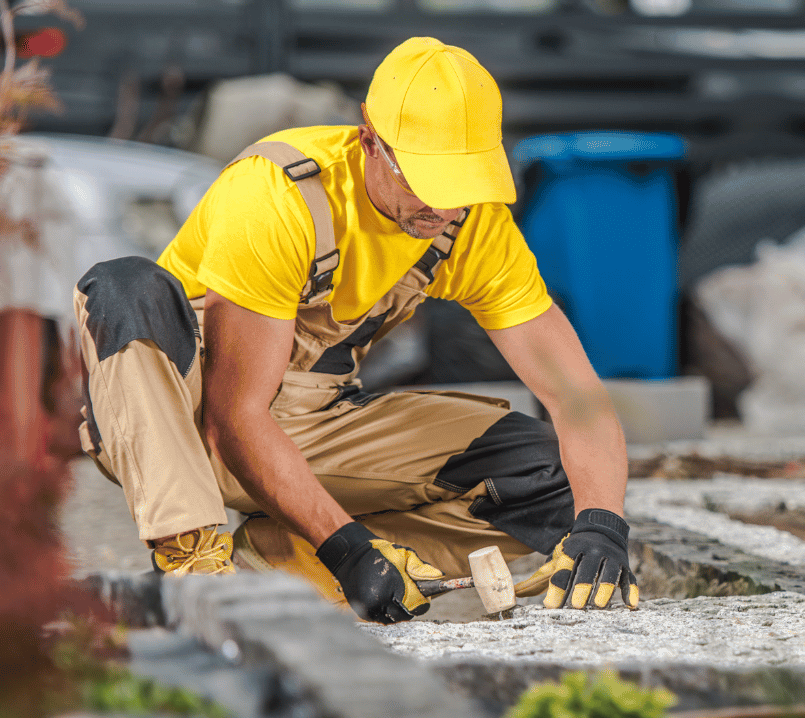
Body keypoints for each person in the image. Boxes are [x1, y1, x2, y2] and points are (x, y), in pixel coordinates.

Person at [73, 37, 638, 623]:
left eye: (462, 184)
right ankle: (191, 568)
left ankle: (278, 567)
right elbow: (232, 417)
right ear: (369, 137)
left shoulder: (473, 226)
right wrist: (347, 545)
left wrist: (603, 526)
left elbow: (578, 400)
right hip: (183, 421)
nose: (445, 211)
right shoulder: (276, 195)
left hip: (311, 423)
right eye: (427, 181)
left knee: (557, 481)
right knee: (122, 285)